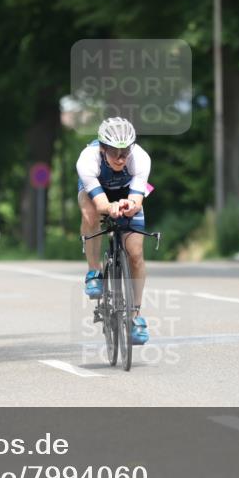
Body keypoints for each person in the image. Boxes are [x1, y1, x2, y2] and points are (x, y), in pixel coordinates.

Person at [77, 116, 152, 345]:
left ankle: (135, 315)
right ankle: (94, 272)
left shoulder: (140, 158)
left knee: (136, 254)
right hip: (97, 193)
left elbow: (137, 200)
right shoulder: (87, 159)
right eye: (114, 152)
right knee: (91, 214)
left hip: (127, 193)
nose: (121, 158)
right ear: (102, 148)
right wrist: (110, 208)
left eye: (125, 152)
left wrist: (130, 205)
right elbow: (101, 205)